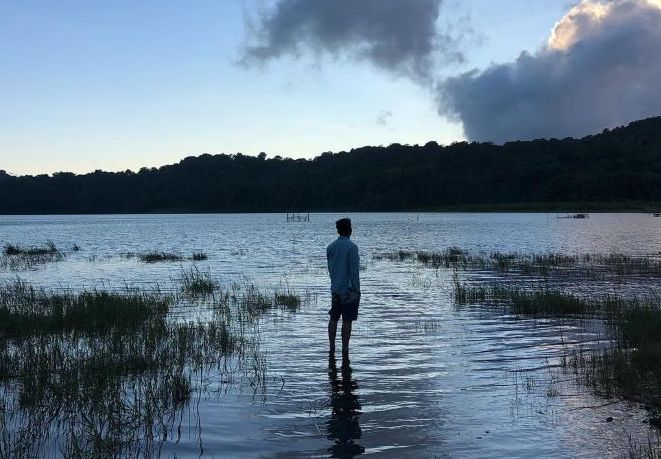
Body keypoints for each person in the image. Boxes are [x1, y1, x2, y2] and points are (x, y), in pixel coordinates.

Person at [326, 218, 360, 363]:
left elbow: (330, 269)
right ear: (350, 230)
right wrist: (357, 289)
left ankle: (332, 347)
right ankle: (345, 349)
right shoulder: (352, 247)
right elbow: (354, 271)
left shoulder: (331, 247)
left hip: (335, 288)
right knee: (347, 320)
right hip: (349, 290)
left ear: (338, 230)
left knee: (334, 317)